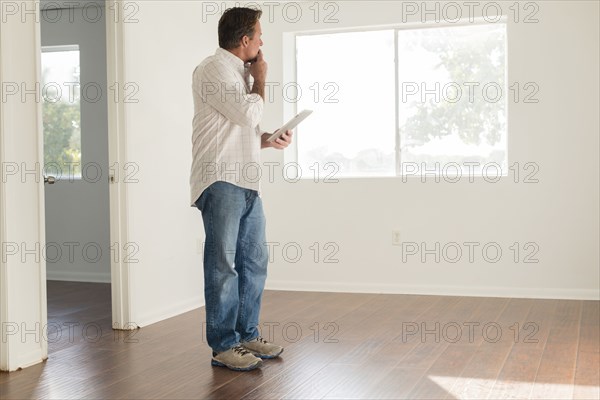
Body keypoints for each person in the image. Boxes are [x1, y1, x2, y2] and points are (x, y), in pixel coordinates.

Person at [189, 7, 292, 372]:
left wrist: (266, 140)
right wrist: (260, 78)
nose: (262, 42)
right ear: (245, 40)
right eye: (259, 35)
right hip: (221, 180)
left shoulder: (236, 73)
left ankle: (247, 335)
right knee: (223, 266)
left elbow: (239, 128)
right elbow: (247, 114)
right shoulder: (214, 68)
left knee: (253, 262)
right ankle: (223, 345)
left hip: (246, 180)